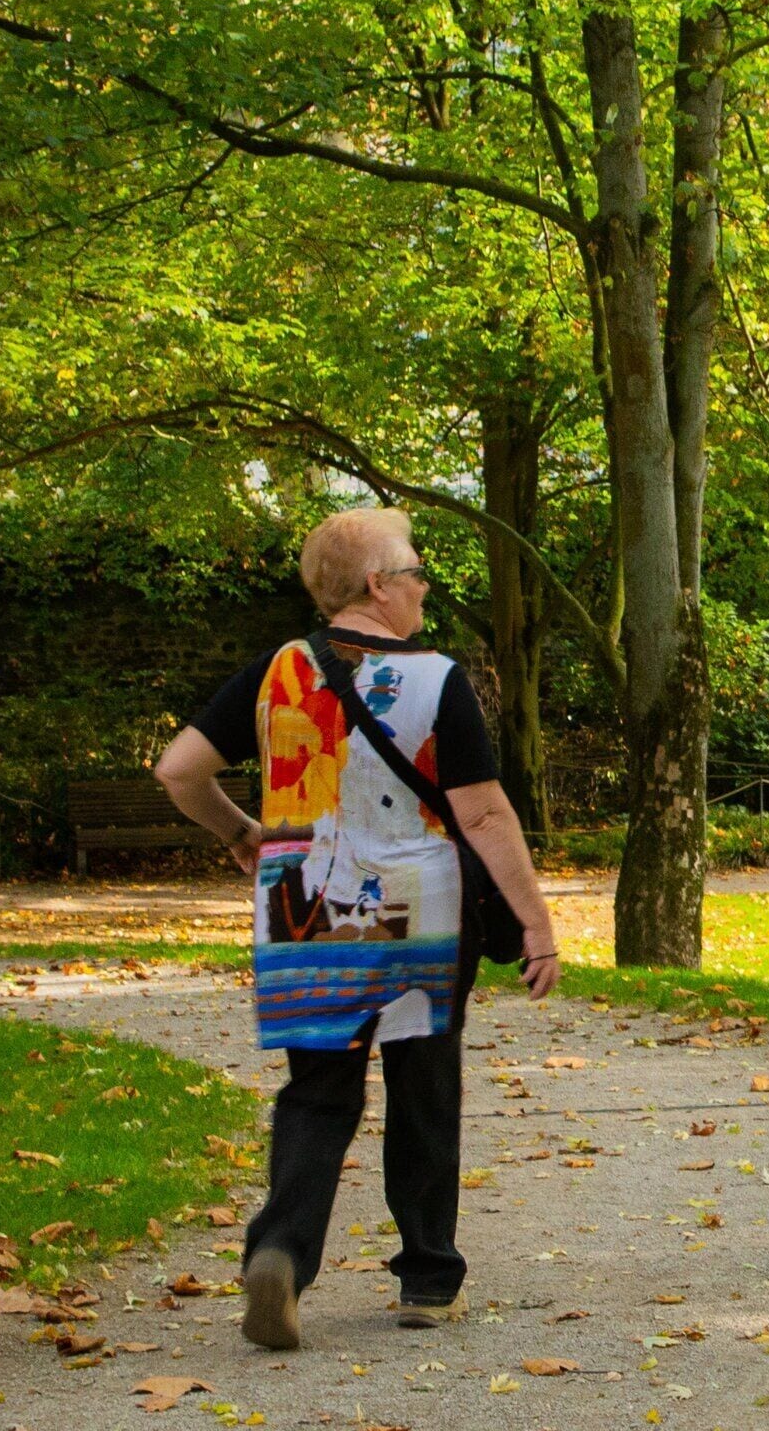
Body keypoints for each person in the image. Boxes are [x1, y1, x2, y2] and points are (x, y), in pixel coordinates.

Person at [154, 505, 561, 1347]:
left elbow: (179, 770)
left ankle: (279, 1252)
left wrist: (240, 833)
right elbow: (484, 814)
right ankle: (427, 1279)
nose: (423, 588)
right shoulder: (435, 679)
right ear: (379, 586)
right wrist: (536, 923)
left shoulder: (279, 671)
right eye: (415, 573)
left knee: (317, 1092)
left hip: (305, 910)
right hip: (419, 916)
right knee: (423, 1086)